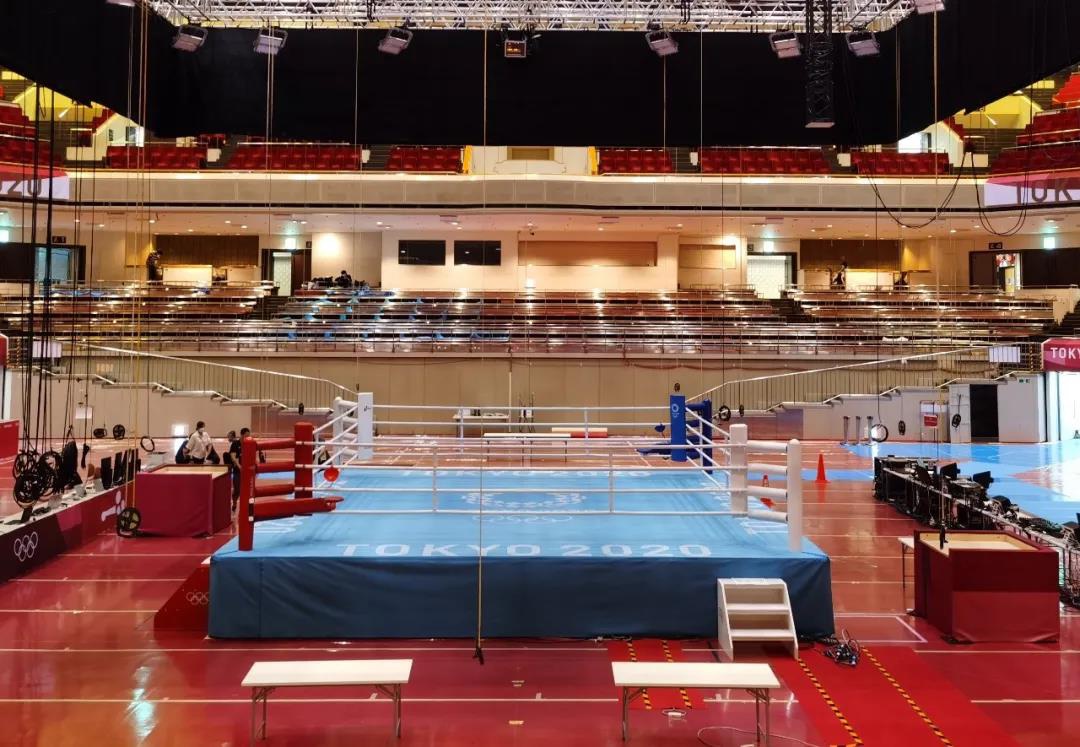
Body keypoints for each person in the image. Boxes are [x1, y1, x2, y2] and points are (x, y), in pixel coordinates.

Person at [227, 427, 250, 510]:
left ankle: (246, 506)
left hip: (247, 471)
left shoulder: (248, 444)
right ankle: (234, 502)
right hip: (237, 471)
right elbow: (233, 456)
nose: (247, 437)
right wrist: (239, 466)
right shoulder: (235, 444)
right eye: (246, 436)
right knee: (237, 489)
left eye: (248, 436)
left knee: (246, 490)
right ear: (242, 435)